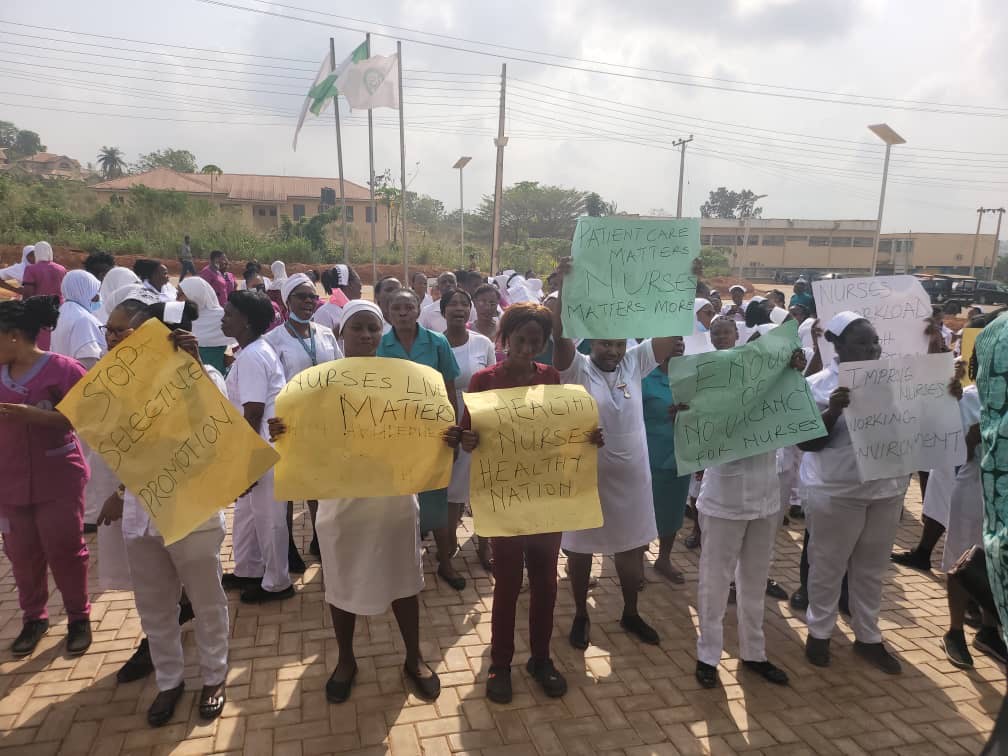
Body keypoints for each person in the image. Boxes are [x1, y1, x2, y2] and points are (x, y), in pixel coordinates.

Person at [267, 300, 443, 704]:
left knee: (404, 580)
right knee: (341, 581)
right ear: (341, 334)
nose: (365, 335)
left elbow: (424, 427)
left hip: (394, 498)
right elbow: (303, 437)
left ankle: (413, 657)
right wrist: (283, 432)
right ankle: (346, 659)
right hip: (341, 501)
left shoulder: (404, 381)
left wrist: (443, 438)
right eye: (357, 328)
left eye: (372, 328)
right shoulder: (317, 384)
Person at [798, 311, 957, 674]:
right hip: (836, 491)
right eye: (861, 342)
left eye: (874, 341)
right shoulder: (819, 386)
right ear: (837, 346)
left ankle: (868, 636)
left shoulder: (899, 381)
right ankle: (819, 632)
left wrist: (948, 394)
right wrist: (834, 411)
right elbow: (807, 443)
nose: (871, 348)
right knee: (828, 565)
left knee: (871, 568)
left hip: (887, 490)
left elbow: (928, 418)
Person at [459, 302, 600, 703]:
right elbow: (468, 435)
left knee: (544, 581)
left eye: (535, 340)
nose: (526, 347)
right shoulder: (483, 380)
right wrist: (466, 439)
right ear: (505, 340)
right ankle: (500, 664)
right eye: (519, 339)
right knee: (506, 583)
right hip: (504, 497)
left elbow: (562, 430)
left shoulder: (551, 376)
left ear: (543, 344)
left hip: (544, 496)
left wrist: (588, 439)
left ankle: (540, 658)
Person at [100, 300, 230, 726]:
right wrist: (120, 491)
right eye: (109, 329)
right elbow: (126, 448)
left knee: (206, 600)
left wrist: (191, 370)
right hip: (141, 512)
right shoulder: (112, 385)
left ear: (150, 333)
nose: (113, 337)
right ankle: (170, 681)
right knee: (154, 605)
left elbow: (217, 432)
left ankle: (213, 676)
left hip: (190, 510)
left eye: (122, 330)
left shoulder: (204, 376)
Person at [553, 256, 687, 650]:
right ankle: (580, 614)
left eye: (618, 343)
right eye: (604, 342)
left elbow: (669, 328)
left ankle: (630, 612)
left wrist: (680, 279)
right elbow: (559, 338)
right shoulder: (576, 368)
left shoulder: (635, 363)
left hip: (632, 483)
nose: (611, 350)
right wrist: (564, 287)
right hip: (584, 481)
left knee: (631, 552)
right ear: (591, 341)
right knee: (579, 552)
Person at [690, 344, 807, 689]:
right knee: (715, 581)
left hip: (765, 501)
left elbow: (798, 422)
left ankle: (754, 652)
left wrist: (794, 375)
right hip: (724, 502)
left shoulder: (774, 397)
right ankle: (708, 655)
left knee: (754, 581)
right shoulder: (715, 401)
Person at [0, 296, 92, 658]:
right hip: (9, 481)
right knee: (21, 554)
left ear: (12, 337)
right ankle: (34, 618)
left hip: (58, 478)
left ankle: (77, 618)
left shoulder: (63, 370)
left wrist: (33, 416)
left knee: (66, 551)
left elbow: (85, 417)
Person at [378, 289, 460, 580]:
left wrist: (454, 430)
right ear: (388, 312)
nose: (402, 312)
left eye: (408, 307)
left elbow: (449, 389)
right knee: (397, 498)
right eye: (396, 307)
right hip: (395, 436)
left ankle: (445, 562)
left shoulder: (437, 343)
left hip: (433, 435)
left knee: (436, 497)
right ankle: (400, 565)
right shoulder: (380, 345)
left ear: (418, 310)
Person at [219, 290, 294, 604]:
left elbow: (253, 411)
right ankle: (249, 568)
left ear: (246, 321)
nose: (223, 318)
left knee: (268, 516)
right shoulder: (251, 351)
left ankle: (278, 582)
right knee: (248, 513)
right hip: (258, 443)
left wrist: (246, 459)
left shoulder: (252, 356)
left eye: (229, 313)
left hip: (262, 446)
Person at [265, 273, 343, 566]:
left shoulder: (324, 334)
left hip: (323, 422)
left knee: (318, 484)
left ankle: (319, 537)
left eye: (312, 297)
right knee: (287, 486)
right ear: (287, 301)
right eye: (301, 296)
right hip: (288, 423)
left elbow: (338, 374)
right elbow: (271, 384)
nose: (309, 302)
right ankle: (287, 547)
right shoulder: (273, 340)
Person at [940, 372, 1007, 668]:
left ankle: (989, 630)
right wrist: (971, 438)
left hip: (1003, 496)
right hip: (973, 490)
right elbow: (950, 454)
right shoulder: (966, 399)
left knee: (996, 561)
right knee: (962, 562)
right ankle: (955, 632)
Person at [442, 289, 495, 583]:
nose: (459, 309)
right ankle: (448, 545)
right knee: (453, 490)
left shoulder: (483, 343)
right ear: (443, 310)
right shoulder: (437, 342)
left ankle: (485, 546)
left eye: (465, 304)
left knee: (484, 486)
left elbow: (491, 382)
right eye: (453, 304)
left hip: (481, 419)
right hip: (450, 421)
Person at [642, 337, 690, 583]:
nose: (678, 344)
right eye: (673, 341)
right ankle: (636, 559)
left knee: (673, 511)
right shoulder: (645, 379)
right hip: (651, 456)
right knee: (644, 511)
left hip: (681, 457)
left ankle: (664, 557)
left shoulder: (692, 378)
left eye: (681, 340)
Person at [179, 276, 235, 374]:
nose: (176, 297)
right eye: (177, 292)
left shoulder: (222, 317)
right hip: (184, 377)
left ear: (196, 295)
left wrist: (231, 354)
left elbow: (240, 340)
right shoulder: (177, 316)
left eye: (181, 294)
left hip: (214, 378)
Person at [50, 270, 104, 370]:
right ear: (85, 291)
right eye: (95, 291)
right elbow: (88, 361)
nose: (98, 296)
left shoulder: (61, 313)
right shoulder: (83, 319)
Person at [20, 241, 66, 350]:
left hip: (39, 311)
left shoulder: (31, 269)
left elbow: (27, 293)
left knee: (41, 342)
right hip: (59, 309)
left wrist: (23, 310)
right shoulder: (62, 269)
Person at [314, 265, 362, 331]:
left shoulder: (358, 309)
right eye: (358, 280)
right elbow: (321, 340)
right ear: (348, 284)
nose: (360, 284)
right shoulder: (324, 313)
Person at [470, 283, 501, 357]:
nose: (487, 307)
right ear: (474, 302)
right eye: (482, 302)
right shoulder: (466, 330)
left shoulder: (504, 330)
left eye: (492, 303)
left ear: (497, 304)